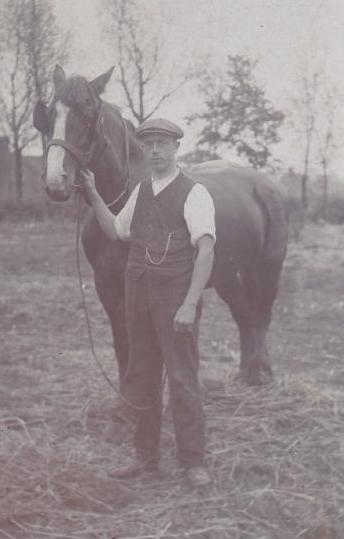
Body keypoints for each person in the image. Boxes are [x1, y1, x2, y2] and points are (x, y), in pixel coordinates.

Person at [80, 118, 215, 488]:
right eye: (149, 144)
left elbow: (205, 251)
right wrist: (92, 195)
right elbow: (116, 230)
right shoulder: (140, 192)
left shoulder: (194, 193)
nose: (155, 150)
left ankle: (193, 462)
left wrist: (189, 303)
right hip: (139, 300)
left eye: (162, 144)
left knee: (183, 379)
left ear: (175, 149)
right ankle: (146, 458)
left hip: (175, 300)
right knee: (142, 377)